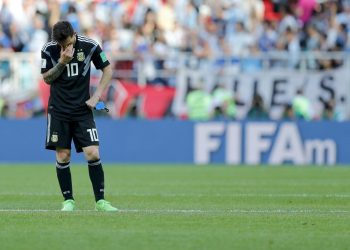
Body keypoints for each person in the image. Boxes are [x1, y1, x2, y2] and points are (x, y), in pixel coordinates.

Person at [41, 21, 117, 212]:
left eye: (66, 44)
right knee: (63, 155)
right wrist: (62, 63)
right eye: (60, 45)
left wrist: (97, 96)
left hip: (82, 109)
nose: (64, 48)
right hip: (58, 110)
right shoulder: (49, 49)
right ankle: (68, 201)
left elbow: (107, 69)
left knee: (92, 152)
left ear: (74, 35)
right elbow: (47, 78)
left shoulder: (90, 45)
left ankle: (100, 201)